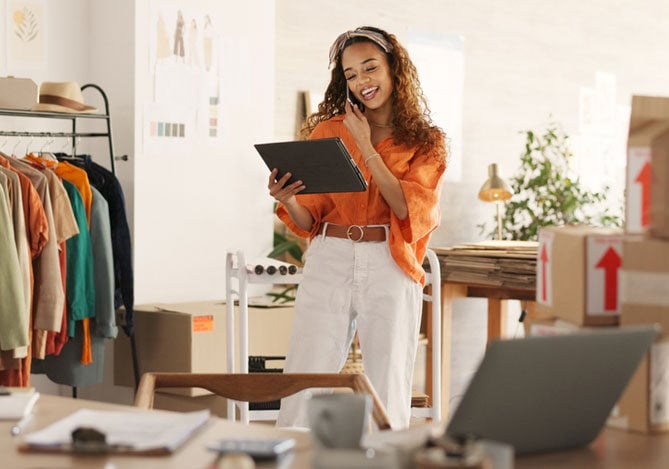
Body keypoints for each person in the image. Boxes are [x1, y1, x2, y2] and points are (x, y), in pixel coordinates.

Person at [268, 26, 447, 430]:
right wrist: (288, 199)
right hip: (330, 254)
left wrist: (365, 144)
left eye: (370, 68)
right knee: (307, 371)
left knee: (388, 377)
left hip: (390, 260)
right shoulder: (328, 132)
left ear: (393, 68)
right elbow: (309, 220)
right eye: (351, 75)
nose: (362, 81)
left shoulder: (426, 142)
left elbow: (408, 206)